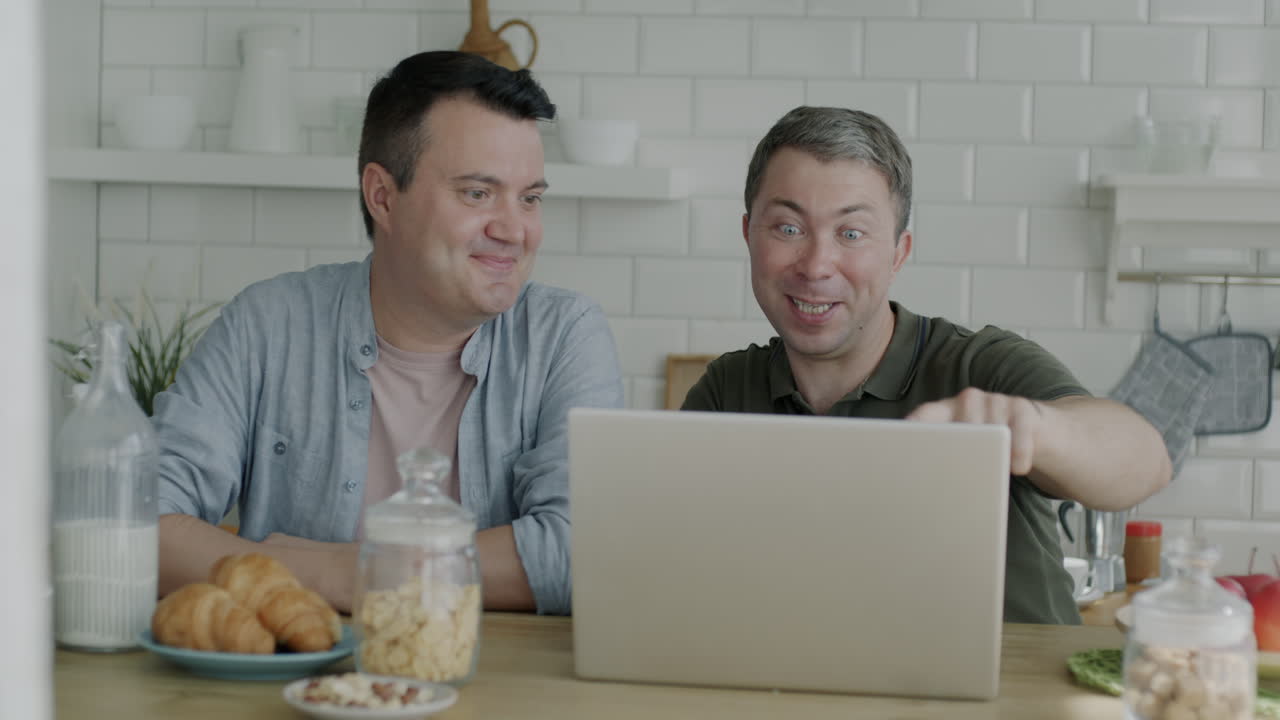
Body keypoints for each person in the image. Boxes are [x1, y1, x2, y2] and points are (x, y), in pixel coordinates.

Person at [153, 51, 623, 616]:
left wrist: (347, 570)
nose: (514, 230)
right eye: (477, 193)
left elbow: (581, 553)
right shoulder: (267, 324)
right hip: (290, 687)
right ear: (382, 196)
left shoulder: (565, 337)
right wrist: (340, 573)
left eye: (529, 198)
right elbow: (135, 526)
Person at [681, 106, 1172, 624]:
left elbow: (1146, 462)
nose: (817, 265)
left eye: (851, 234)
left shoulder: (980, 368)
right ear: (748, 235)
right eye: (787, 227)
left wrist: (1033, 429)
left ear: (898, 253)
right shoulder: (726, 392)